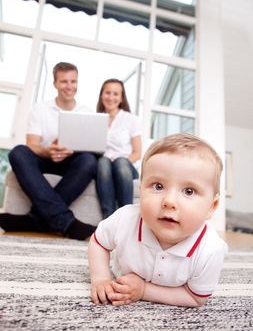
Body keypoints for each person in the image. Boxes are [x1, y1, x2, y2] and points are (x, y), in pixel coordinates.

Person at [88, 133, 228, 307]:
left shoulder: (210, 250)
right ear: (141, 190)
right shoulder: (126, 219)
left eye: (189, 191)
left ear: (211, 207)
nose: (169, 201)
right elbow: (98, 242)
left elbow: (195, 298)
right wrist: (101, 278)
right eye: (158, 186)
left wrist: (144, 291)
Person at [0, 62, 97, 240]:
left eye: (73, 81)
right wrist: (49, 152)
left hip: (71, 161)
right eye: (64, 82)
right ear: (55, 84)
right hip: (45, 159)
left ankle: (35, 220)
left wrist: (72, 150)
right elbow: (32, 144)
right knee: (18, 152)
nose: (69, 86)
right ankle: (67, 223)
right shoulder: (40, 109)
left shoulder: (87, 112)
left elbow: (92, 147)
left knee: (89, 160)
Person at [95, 78, 142, 218]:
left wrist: (120, 160)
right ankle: (108, 218)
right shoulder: (95, 119)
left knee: (120, 162)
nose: (111, 97)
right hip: (104, 168)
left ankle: (125, 217)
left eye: (115, 94)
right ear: (102, 95)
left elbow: (137, 152)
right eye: (107, 93)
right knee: (103, 162)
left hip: (126, 168)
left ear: (121, 98)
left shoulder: (131, 119)